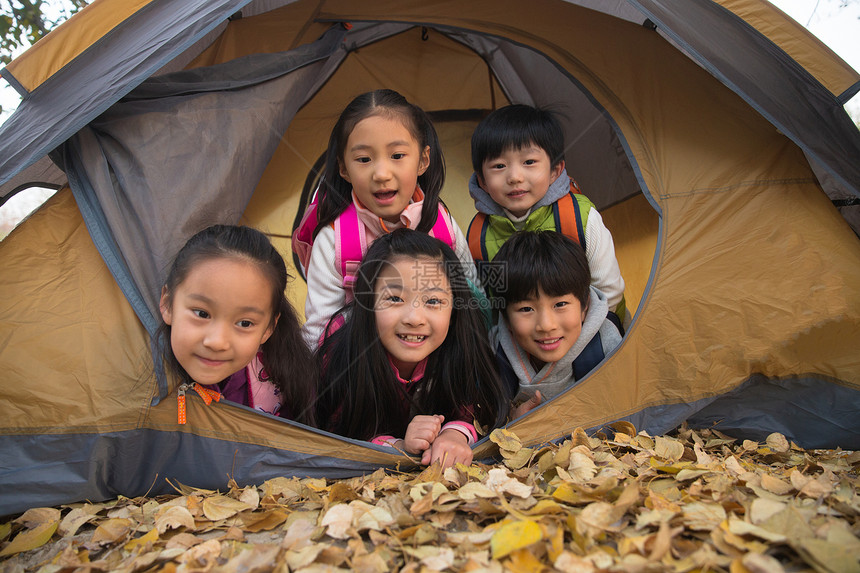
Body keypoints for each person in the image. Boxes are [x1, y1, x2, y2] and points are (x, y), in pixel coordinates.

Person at [293, 89, 477, 348]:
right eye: (364, 159)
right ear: (344, 168)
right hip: (360, 367)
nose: (381, 173)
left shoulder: (441, 226)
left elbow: (472, 296)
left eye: (397, 156)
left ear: (423, 160)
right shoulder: (335, 240)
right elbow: (319, 330)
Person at [315, 229, 509, 468]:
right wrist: (397, 446)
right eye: (395, 299)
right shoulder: (342, 350)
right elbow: (337, 430)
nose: (414, 318)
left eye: (433, 301)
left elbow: (474, 408)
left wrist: (454, 435)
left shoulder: (462, 346)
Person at [466, 104, 627, 324]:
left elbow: (609, 291)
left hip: (594, 336)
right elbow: (490, 304)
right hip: (521, 347)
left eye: (529, 162)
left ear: (555, 171)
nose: (514, 177)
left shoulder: (578, 216)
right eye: (499, 165)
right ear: (482, 181)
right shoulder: (478, 236)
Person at [157, 225, 315, 425]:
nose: (217, 342)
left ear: (268, 329)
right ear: (167, 304)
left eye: (245, 323)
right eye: (202, 314)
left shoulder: (285, 383)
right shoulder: (134, 384)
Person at [490, 231, 623, 419]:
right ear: (505, 317)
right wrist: (511, 419)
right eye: (526, 309)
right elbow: (484, 412)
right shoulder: (495, 352)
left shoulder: (606, 344)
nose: (546, 325)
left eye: (560, 305)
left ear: (584, 306)